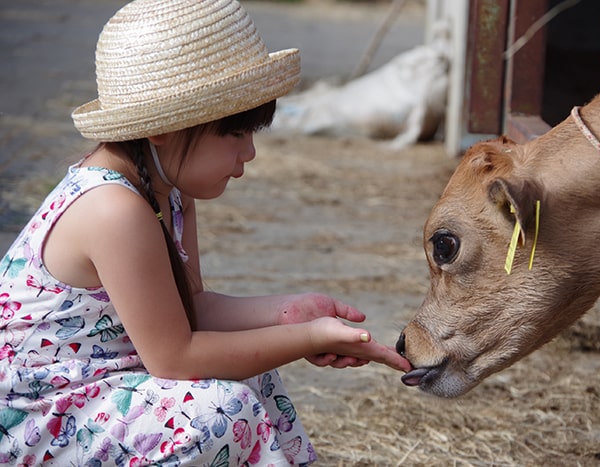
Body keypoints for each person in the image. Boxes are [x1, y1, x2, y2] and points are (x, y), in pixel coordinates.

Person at [0, 0, 411, 465]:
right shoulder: (114, 210)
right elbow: (175, 358)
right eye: (235, 134)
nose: (250, 153)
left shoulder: (167, 191)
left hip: (99, 380)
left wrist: (290, 315)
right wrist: (310, 339)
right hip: (33, 415)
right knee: (219, 410)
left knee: (252, 370)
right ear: (162, 128)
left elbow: (190, 309)